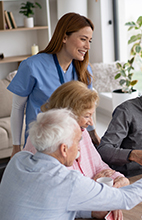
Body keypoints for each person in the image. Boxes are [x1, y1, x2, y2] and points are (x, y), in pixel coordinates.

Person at [0, 109, 142, 219]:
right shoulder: (67, 180)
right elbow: (126, 198)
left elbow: (48, 205)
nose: (80, 147)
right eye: (78, 141)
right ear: (64, 149)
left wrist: (90, 212)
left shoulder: (18, 160)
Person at [23, 81, 128, 219]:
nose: (91, 122)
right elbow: (62, 196)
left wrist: (119, 179)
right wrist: (97, 187)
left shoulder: (81, 132)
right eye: (87, 116)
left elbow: (100, 167)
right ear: (69, 114)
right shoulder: (44, 141)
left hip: (92, 207)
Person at [7, 12, 100, 158]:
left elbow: (87, 107)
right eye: (83, 39)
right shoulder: (32, 66)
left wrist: (92, 132)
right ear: (64, 37)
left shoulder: (84, 69)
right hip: (43, 143)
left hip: (73, 142)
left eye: (90, 41)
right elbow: (18, 108)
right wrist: (16, 146)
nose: (87, 46)